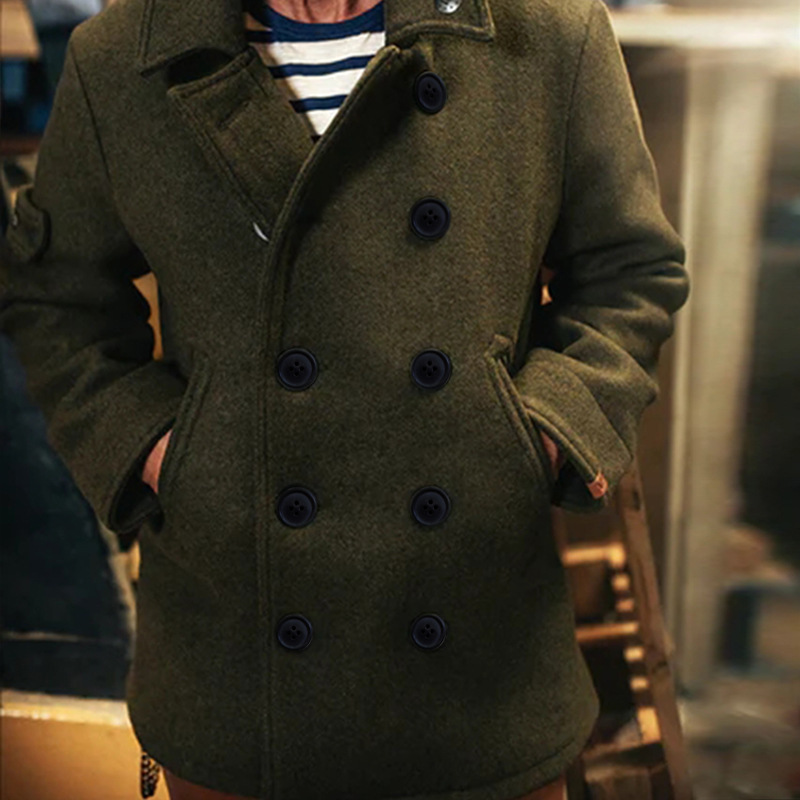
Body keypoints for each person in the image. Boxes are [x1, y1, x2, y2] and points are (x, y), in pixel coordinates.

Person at [0, 0, 690, 796]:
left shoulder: (546, 34)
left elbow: (628, 270)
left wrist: (539, 434)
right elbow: (58, 300)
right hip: (236, 673)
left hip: (483, 664)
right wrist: (167, 454)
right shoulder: (126, 54)